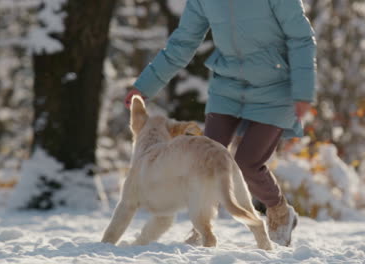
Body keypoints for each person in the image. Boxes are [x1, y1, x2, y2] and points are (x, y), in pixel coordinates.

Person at [124, 0, 316, 247]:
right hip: (228, 87)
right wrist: (144, 86)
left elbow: (301, 38)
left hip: (276, 87)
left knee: (247, 164)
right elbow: (183, 42)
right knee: (203, 157)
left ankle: (279, 211)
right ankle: (202, 227)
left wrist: (302, 92)